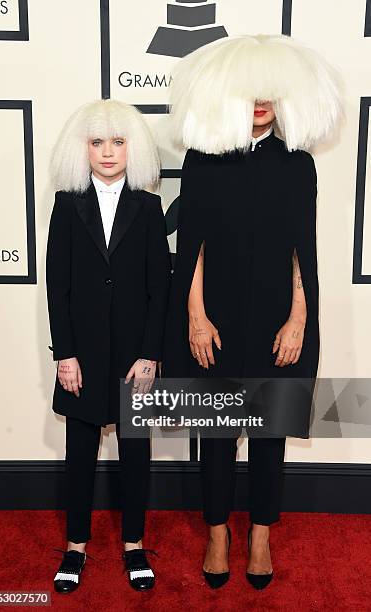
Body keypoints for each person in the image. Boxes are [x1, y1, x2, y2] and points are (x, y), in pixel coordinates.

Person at [162, 34, 342, 590]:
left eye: (269, 92)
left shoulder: (298, 165)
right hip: (214, 318)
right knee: (215, 434)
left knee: (270, 434)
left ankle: (260, 534)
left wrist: (298, 319)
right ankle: (218, 534)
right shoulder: (202, 161)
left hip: (274, 320)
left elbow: (302, 252)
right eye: (248, 91)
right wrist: (195, 316)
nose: (259, 101)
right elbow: (189, 248)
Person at [46, 99, 171, 593]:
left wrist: (150, 352)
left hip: (134, 354)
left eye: (118, 142)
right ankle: (75, 547)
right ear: (84, 148)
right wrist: (64, 354)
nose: (107, 152)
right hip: (82, 353)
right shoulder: (66, 203)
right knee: (79, 452)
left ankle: (134, 545)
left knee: (135, 452)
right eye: (97, 142)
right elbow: (59, 284)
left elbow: (159, 286)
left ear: (131, 148)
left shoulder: (147, 206)